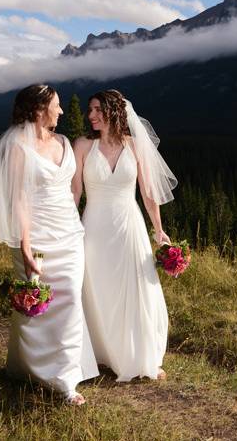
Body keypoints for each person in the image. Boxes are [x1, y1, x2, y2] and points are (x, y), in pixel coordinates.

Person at [0, 83, 98, 405]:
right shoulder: (17, 146)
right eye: (57, 105)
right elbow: (19, 200)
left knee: (69, 300)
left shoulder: (65, 142)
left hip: (69, 234)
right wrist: (25, 245)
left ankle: (66, 379)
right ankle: (29, 367)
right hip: (36, 236)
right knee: (34, 305)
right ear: (40, 109)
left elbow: (72, 190)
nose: (62, 111)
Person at [72, 89, 177, 382]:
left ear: (113, 112)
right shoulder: (81, 145)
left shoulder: (133, 146)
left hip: (129, 225)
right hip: (93, 225)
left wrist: (159, 229)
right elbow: (75, 192)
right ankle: (101, 353)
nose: (90, 115)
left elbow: (148, 193)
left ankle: (139, 355)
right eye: (90, 110)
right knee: (97, 286)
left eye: (96, 109)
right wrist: (69, 226)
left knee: (135, 287)